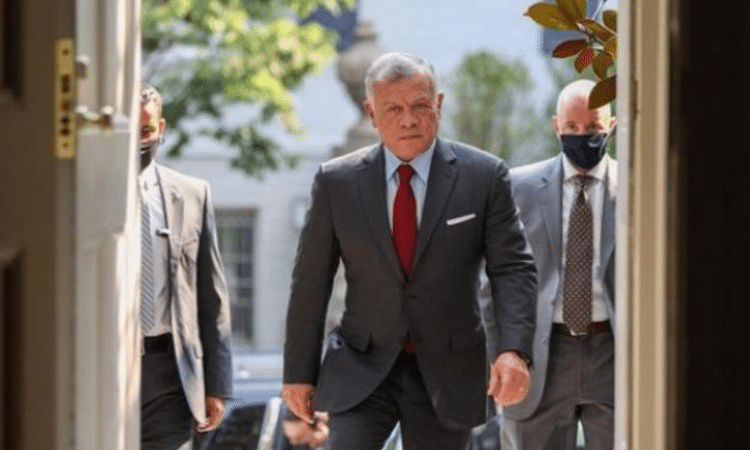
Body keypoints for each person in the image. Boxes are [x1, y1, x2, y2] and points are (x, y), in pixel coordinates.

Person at [282, 52, 537, 450]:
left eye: (420, 106)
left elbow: (513, 269)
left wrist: (514, 350)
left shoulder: (484, 176)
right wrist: (299, 372)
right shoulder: (337, 182)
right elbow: (310, 281)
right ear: (372, 114)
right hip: (361, 365)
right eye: (394, 109)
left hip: (448, 370)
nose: (408, 120)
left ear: (439, 104)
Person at [501, 79, 617, 450]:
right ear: (556, 127)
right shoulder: (518, 187)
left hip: (614, 354)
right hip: (541, 354)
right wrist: (502, 352)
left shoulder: (639, 188)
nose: (582, 136)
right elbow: (497, 279)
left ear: (611, 126)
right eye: (572, 126)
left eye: (593, 127)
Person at [139, 83, 233, 450]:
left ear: (160, 128)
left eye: (146, 131)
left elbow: (212, 296)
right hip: (104, 365)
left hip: (171, 373)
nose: (139, 141)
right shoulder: (88, 193)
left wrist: (217, 384)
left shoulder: (193, 194)